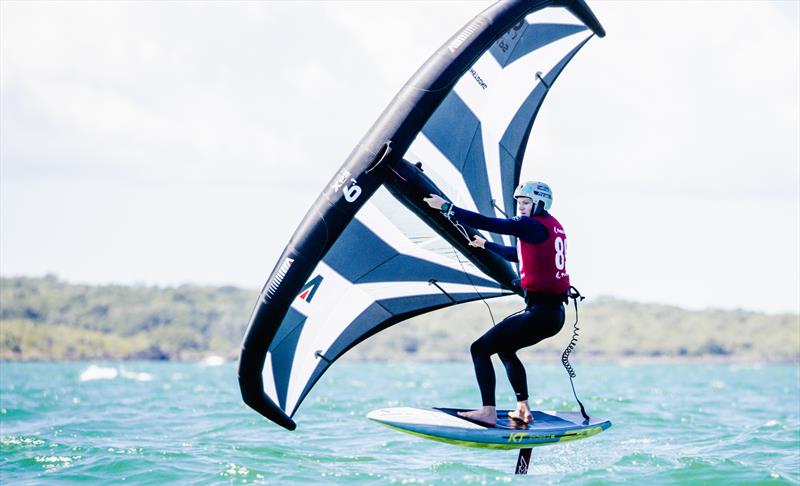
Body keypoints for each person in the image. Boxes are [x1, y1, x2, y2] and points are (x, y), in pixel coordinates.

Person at [423, 181, 570, 426]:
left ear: (540, 204)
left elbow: (491, 223)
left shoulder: (529, 225)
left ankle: (488, 412)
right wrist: (486, 245)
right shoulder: (552, 227)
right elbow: (519, 255)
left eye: (526, 203)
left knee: (479, 349)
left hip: (541, 312)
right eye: (519, 203)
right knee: (504, 348)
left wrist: (447, 208)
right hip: (551, 314)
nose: (521, 208)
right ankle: (523, 408)